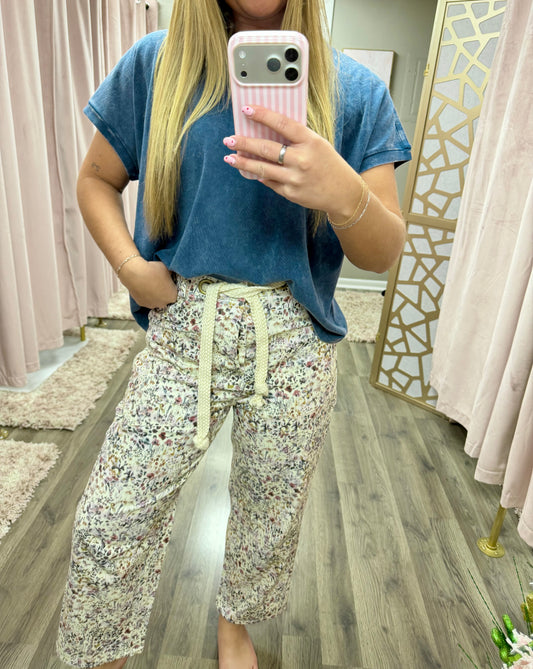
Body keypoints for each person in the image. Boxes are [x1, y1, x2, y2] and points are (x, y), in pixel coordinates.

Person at [56, 0, 411, 667]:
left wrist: (342, 192)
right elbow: (97, 178)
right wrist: (131, 268)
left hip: (293, 338)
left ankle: (235, 625)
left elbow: (383, 252)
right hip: (185, 327)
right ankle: (101, 652)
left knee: (269, 516)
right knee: (111, 518)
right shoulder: (156, 65)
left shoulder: (354, 91)